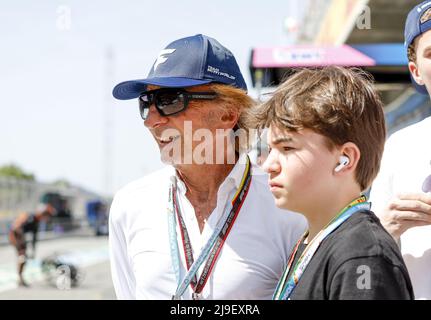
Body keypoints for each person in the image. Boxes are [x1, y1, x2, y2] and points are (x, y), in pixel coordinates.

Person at [109, 34, 307, 300]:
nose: (151, 120)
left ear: (227, 113)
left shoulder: (289, 209)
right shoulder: (129, 206)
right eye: (146, 103)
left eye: (168, 100)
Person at [246, 66, 414, 299]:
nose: (269, 165)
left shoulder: (362, 255)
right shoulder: (318, 240)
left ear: (345, 160)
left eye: (287, 148)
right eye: (271, 149)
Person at [369, 1, 431, 299]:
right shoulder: (399, 148)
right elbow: (368, 254)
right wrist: (387, 227)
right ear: (416, 71)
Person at [8, 203, 56, 287]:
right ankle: (20, 278)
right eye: (47, 216)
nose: (47, 219)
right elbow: (16, 228)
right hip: (15, 236)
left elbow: (34, 238)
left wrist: (33, 251)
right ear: (43, 214)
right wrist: (21, 243)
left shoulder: (37, 223)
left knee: (23, 258)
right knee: (22, 256)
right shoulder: (28, 217)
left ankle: (20, 278)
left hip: (21, 239)